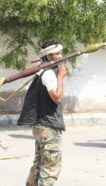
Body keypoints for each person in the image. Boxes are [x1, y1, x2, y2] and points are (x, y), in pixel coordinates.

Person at [17, 39, 68, 186]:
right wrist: (60, 77)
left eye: (61, 53)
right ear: (49, 56)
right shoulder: (50, 75)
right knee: (50, 168)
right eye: (57, 54)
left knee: (39, 165)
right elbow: (57, 98)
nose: (61, 56)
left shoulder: (43, 72)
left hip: (41, 127)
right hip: (49, 127)